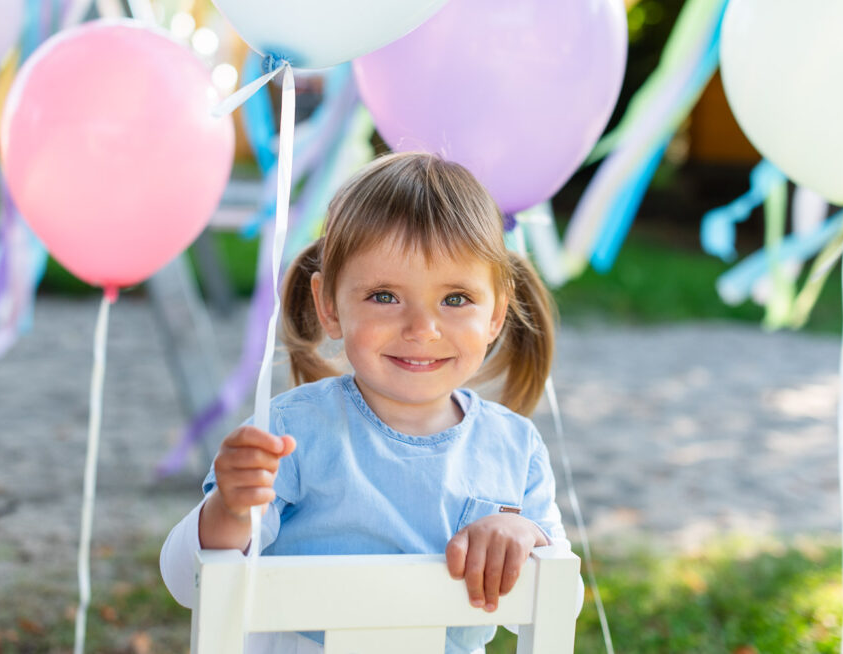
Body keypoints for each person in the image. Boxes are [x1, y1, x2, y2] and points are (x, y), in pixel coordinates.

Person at [161, 152, 576, 653]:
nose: (422, 329)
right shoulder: (290, 437)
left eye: (456, 299)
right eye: (384, 296)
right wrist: (228, 510)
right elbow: (191, 584)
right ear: (329, 307)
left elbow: (560, 600)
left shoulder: (515, 448)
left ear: (495, 315)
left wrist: (524, 535)